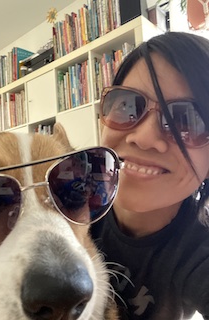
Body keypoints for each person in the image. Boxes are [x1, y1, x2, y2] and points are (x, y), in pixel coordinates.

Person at [91, 31, 209, 320]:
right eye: (127, 105)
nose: (144, 138)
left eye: (186, 120)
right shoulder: (67, 201)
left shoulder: (198, 253)